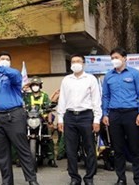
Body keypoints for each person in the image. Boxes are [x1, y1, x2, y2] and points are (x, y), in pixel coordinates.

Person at [0, 52, 40, 185]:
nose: (5, 61)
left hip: (14, 115)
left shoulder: (13, 76)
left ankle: (32, 179)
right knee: (2, 152)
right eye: (2, 59)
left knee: (22, 149)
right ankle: (7, 181)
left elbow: (14, 74)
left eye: (7, 59)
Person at [101, 47, 139, 185]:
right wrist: (105, 114)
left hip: (131, 114)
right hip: (114, 114)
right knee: (118, 148)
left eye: (117, 57)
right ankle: (121, 178)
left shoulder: (135, 74)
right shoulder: (108, 76)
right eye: (112, 58)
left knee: (135, 147)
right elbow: (105, 96)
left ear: (125, 58)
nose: (115, 60)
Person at [57, 54, 101, 185]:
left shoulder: (91, 79)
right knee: (70, 149)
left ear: (83, 63)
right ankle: (74, 178)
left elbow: (96, 100)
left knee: (89, 148)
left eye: (78, 61)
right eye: (73, 61)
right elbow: (62, 99)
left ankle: (89, 178)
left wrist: (97, 119)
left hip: (86, 116)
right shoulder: (66, 80)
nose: (75, 63)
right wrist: (60, 118)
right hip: (69, 116)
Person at [23, 76, 57, 168]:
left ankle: (51, 158)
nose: (35, 86)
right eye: (33, 85)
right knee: (21, 136)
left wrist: (50, 122)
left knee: (48, 136)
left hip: (42, 120)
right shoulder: (27, 96)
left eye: (36, 85)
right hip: (29, 120)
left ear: (40, 86)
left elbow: (49, 109)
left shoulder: (44, 96)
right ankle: (20, 158)